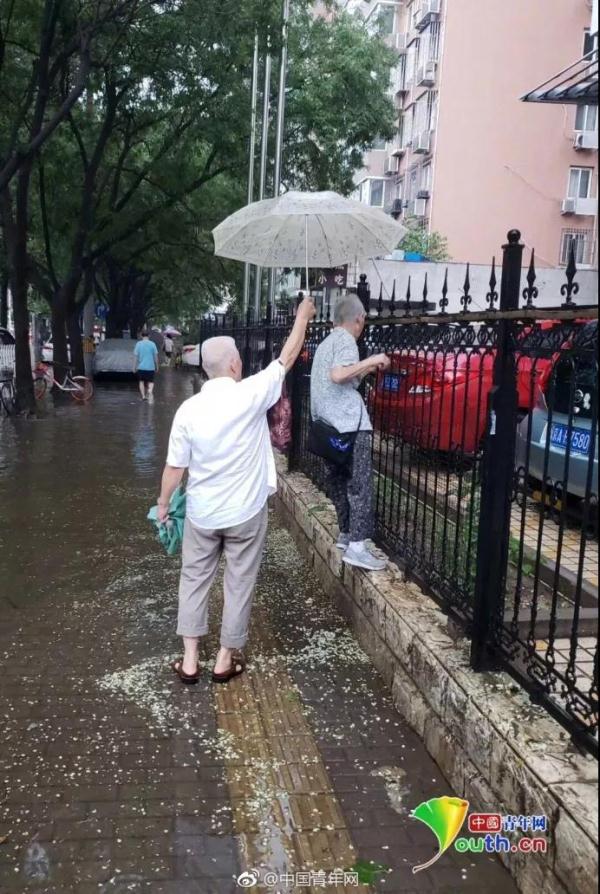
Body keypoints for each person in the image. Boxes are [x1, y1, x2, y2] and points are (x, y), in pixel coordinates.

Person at [157, 297, 316, 685]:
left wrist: (163, 505)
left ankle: (190, 660)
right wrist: (302, 317)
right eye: (239, 358)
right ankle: (225, 659)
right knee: (239, 581)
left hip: (202, 514)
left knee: (194, 578)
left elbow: (175, 468)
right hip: (245, 513)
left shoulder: (188, 411)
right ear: (232, 364)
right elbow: (287, 357)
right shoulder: (250, 394)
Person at [310, 294, 391, 571]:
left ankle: (345, 535)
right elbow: (338, 375)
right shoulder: (346, 340)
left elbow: (345, 381)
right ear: (360, 318)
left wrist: (367, 367)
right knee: (359, 485)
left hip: (327, 428)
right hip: (350, 427)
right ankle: (358, 547)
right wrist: (374, 358)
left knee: (338, 482)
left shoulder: (325, 343)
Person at [133, 328, 159, 401]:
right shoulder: (152, 344)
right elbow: (155, 357)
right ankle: (150, 391)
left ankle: (143, 396)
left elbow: (135, 357)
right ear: (149, 336)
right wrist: (157, 366)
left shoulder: (138, 344)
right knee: (150, 381)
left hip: (141, 367)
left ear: (141, 336)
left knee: (141, 382)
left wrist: (134, 367)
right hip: (151, 367)